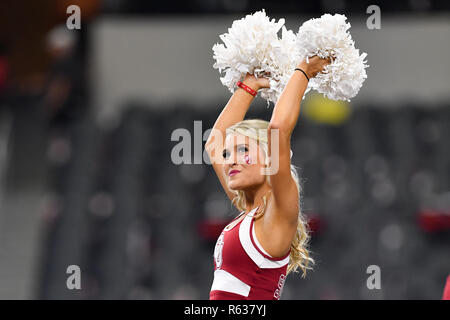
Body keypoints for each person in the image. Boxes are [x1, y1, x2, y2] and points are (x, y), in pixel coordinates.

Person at [205, 56, 330, 300]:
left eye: (243, 150)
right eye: (228, 153)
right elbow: (214, 144)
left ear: (268, 158)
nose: (231, 160)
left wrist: (304, 70)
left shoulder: (278, 210)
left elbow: (278, 132)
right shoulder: (250, 211)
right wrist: (250, 84)